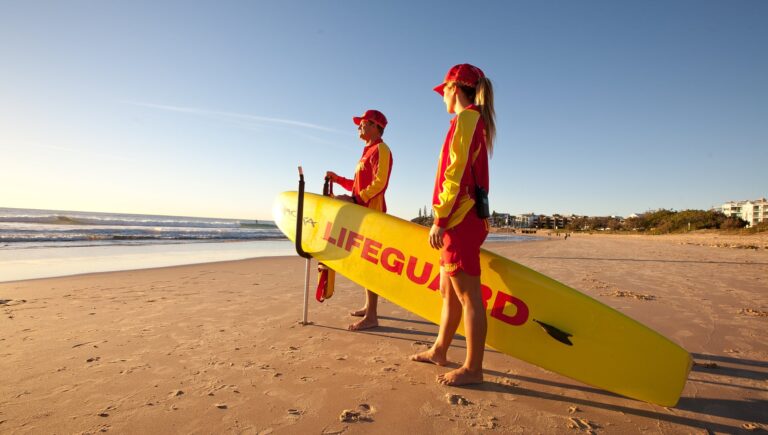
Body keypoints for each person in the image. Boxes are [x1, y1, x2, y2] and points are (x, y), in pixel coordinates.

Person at [410, 64, 496, 386]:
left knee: (468, 296)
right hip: (464, 217)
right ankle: (439, 350)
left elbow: (454, 173)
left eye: (443, 90)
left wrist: (440, 220)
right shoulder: (472, 121)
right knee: (448, 291)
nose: (441, 96)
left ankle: (474, 368)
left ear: (455, 89)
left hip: (460, 219)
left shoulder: (467, 119)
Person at [326, 109, 393, 331]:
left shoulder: (381, 149)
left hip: (372, 214)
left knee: (370, 265)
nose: (358, 127)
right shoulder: (367, 152)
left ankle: (372, 316)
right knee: (365, 262)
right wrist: (337, 180)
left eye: (362, 123)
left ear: (375, 126)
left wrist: (355, 199)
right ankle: (368, 306)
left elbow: (380, 183)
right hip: (361, 213)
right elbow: (357, 186)